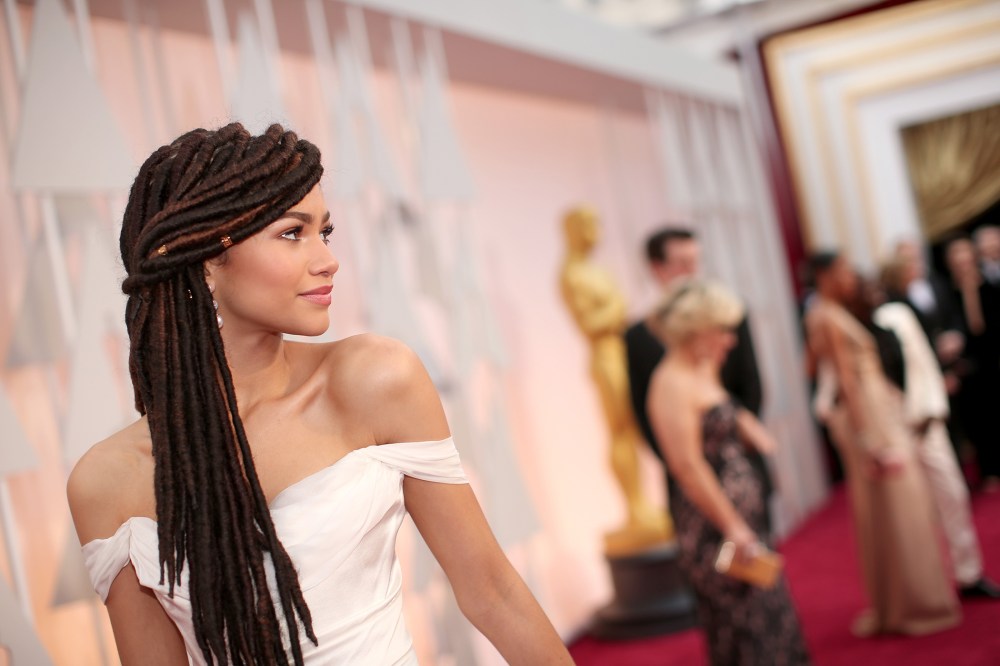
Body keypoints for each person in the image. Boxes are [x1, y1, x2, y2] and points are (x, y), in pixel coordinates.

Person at [66, 124, 573, 665]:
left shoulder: (374, 380)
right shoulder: (107, 480)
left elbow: (492, 593)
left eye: (324, 232)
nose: (327, 260)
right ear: (208, 260)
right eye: (292, 233)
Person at [646, 279, 810, 666]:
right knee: (743, 627)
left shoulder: (702, 367)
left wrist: (744, 422)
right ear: (696, 331)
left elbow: (718, 410)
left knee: (770, 619)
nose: (730, 340)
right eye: (722, 330)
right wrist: (733, 525)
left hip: (742, 520)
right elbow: (687, 466)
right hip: (714, 528)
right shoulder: (669, 383)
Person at [804, 251, 960, 637]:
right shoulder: (825, 315)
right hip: (871, 419)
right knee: (901, 508)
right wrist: (868, 439)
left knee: (898, 509)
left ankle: (902, 603)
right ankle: (914, 605)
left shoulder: (830, 312)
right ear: (824, 275)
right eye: (842, 269)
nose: (851, 276)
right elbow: (845, 380)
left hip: (880, 409)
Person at [625, 228, 773, 535]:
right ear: (657, 268)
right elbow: (643, 415)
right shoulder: (639, 339)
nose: (691, 271)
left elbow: (749, 387)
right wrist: (687, 465)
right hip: (696, 488)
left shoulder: (728, 314)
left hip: (741, 469)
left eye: (695, 261)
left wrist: (739, 443)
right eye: (681, 262)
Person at [877, 258, 1000, 598]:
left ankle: (967, 574)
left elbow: (920, 359)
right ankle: (932, 584)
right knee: (918, 513)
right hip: (908, 426)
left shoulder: (916, 305)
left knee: (953, 496)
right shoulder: (889, 316)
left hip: (930, 418)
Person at [559, 207, 670, 554]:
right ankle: (634, 506)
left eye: (597, 222)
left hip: (619, 350)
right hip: (604, 355)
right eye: (588, 224)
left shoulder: (596, 271)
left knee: (633, 427)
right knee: (620, 430)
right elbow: (591, 323)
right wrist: (618, 308)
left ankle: (642, 504)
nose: (596, 231)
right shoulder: (572, 274)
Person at [945, 236, 1000, 490]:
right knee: (979, 418)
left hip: (994, 359)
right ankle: (989, 470)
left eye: (966, 256)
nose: (963, 262)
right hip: (970, 367)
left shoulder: (990, 284)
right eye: (958, 258)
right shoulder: (948, 294)